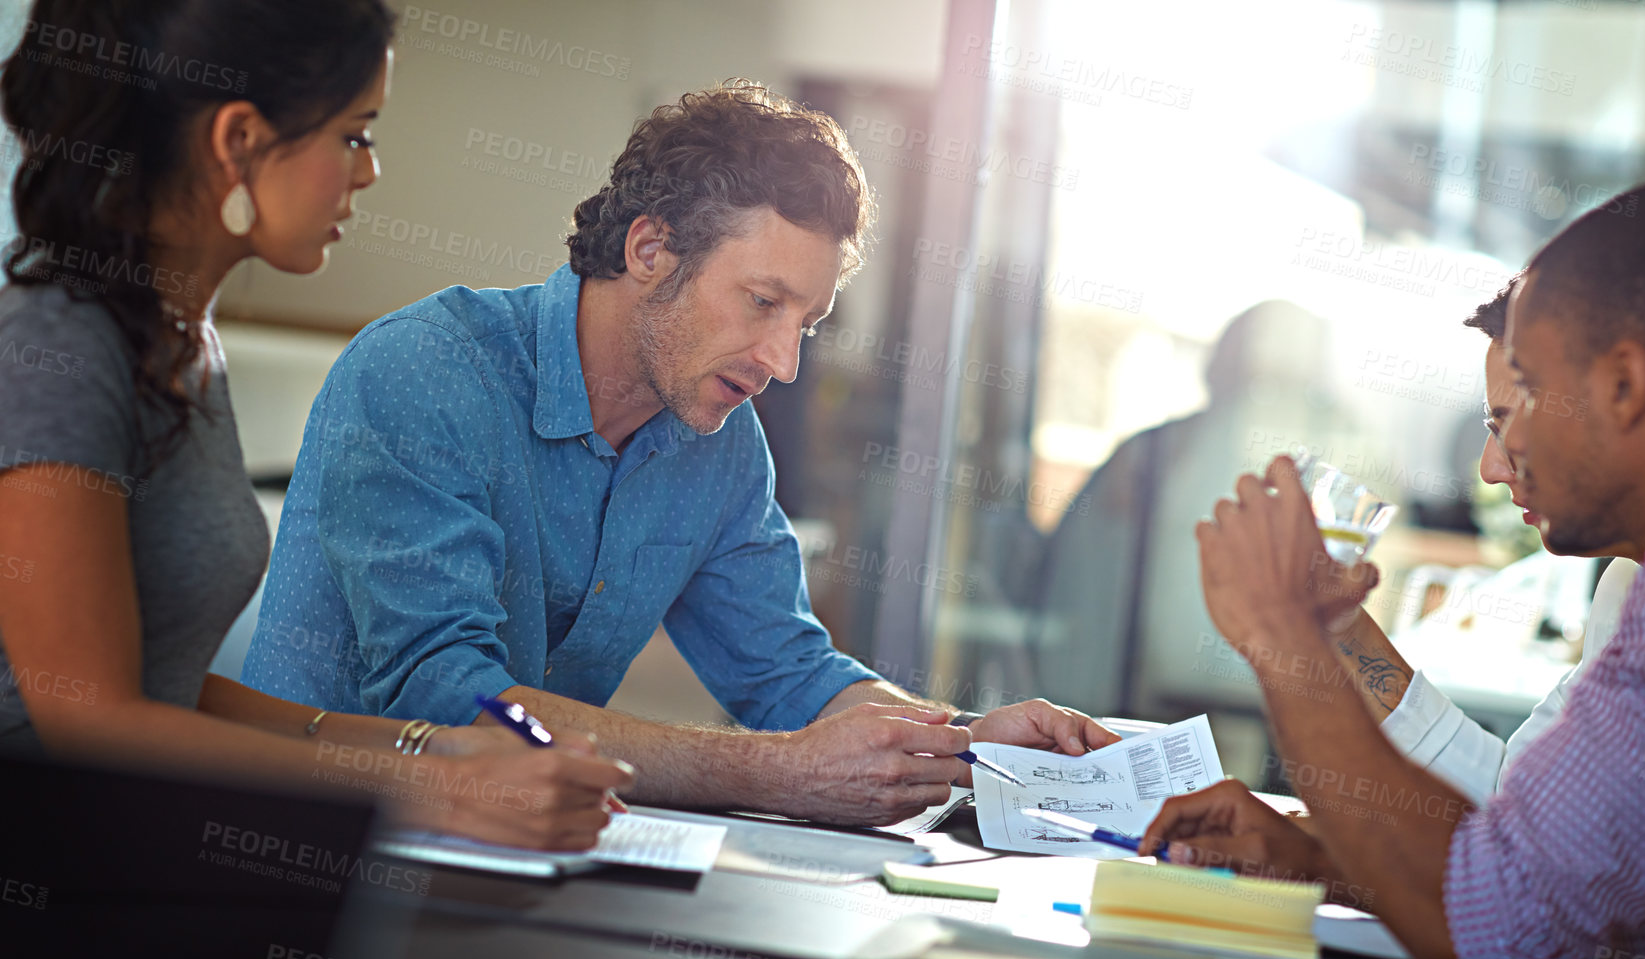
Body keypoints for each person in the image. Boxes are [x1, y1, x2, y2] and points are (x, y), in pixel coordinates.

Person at [241, 82, 1116, 827]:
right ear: (651, 250)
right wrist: (778, 771)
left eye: (805, 325)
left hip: (527, 857)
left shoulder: (719, 443)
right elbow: (443, 696)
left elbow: (788, 670)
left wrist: (965, 744)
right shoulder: (426, 371)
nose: (782, 363)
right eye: (762, 302)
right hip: (313, 855)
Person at [1142, 178, 1645, 959]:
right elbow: (1548, 845)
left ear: (1626, 384)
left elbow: (1491, 927)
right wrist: (1322, 861)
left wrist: (1283, 637)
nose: (1495, 467)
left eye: (1526, 395)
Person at [0, 0, 628, 850]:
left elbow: (168, 688)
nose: (368, 172)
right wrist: (433, 789)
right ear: (239, 141)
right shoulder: (59, 343)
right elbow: (94, 723)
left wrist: (436, 745)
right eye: (354, 134)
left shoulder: (180, 343)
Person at [1324, 280, 1640, 808]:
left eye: (1511, 425)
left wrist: (1281, 637)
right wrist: (1339, 625)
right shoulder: (1629, 584)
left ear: (1627, 398)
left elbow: (1533, 874)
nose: (1491, 470)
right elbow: (1512, 797)